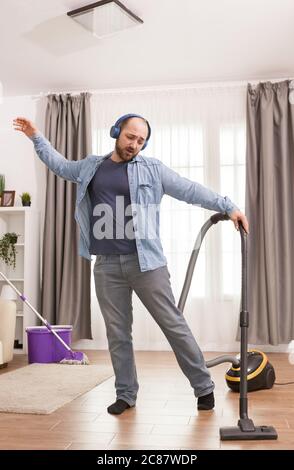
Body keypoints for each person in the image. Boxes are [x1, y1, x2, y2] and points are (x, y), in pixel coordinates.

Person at [13, 114, 249, 415]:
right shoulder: (91, 166)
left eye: (140, 140)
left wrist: (229, 207)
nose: (134, 144)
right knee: (118, 333)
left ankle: (203, 388)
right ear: (116, 132)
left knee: (173, 325)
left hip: (147, 263)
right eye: (130, 137)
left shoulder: (152, 169)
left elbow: (190, 190)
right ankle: (126, 393)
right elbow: (59, 165)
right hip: (106, 265)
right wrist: (36, 136)